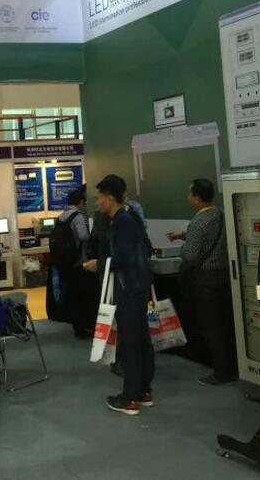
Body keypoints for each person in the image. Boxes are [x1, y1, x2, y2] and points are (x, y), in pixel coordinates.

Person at [84, 175, 155, 416]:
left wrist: (98, 264)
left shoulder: (122, 222)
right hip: (137, 287)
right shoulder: (130, 217)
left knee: (130, 344)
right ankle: (143, 391)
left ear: (109, 198)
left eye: (99, 198)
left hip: (129, 289)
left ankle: (130, 398)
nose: (98, 203)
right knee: (141, 340)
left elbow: (123, 257)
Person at [168, 178, 238, 386]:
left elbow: (189, 255)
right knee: (225, 324)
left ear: (197, 198)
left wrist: (182, 247)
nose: (187, 197)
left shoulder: (198, 221)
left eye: (189, 193)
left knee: (211, 327)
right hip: (224, 276)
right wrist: (183, 235)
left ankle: (221, 372)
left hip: (206, 281)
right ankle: (233, 367)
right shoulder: (219, 214)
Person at [57, 187, 94, 338]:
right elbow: (83, 236)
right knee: (83, 295)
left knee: (72, 294)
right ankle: (85, 326)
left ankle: (77, 326)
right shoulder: (78, 216)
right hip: (79, 262)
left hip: (66, 262)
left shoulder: (61, 216)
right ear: (81, 202)